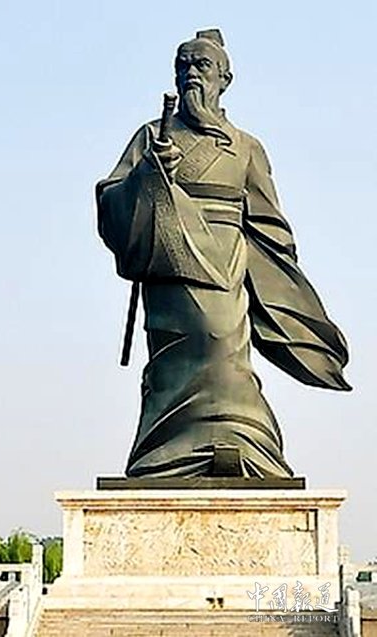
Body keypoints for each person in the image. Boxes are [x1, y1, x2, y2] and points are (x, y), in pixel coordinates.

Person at [96, 29, 351, 479]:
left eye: (201, 65)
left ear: (224, 79)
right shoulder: (151, 135)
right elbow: (112, 196)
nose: (191, 74)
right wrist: (150, 176)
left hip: (226, 263)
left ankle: (244, 441)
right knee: (178, 354)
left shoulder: (246, 147)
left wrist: (276, 273)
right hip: (169, 261)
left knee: (224, 347)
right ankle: (163, 452)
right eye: (183, 66)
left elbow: (268, 222)